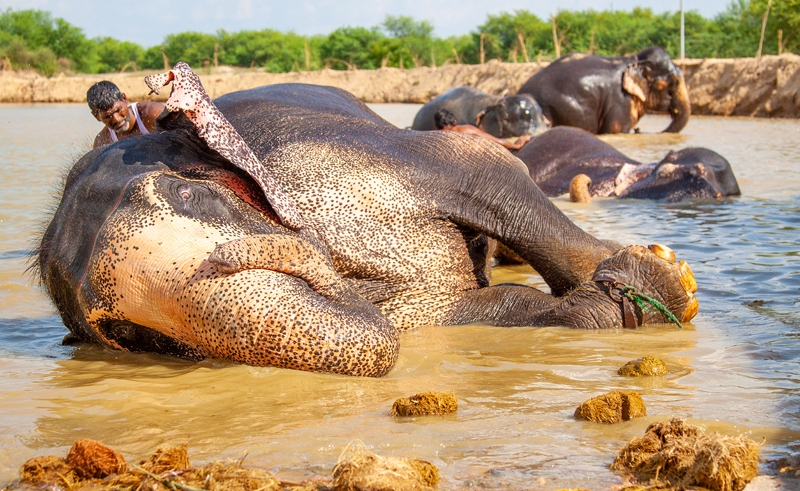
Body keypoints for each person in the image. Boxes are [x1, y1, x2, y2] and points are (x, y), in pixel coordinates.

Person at [87, 81, 167, 148]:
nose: (117, 119)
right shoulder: (103, 142)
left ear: (124, 99)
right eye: (108, 116)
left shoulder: (154, 114)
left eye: (118, 110)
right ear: (96, 116)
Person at [433, 108, 531, 150]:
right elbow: (498, 142)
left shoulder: (434, 138)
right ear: (454, 122)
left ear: (436, 128)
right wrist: (517, 146)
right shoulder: (466, 130)